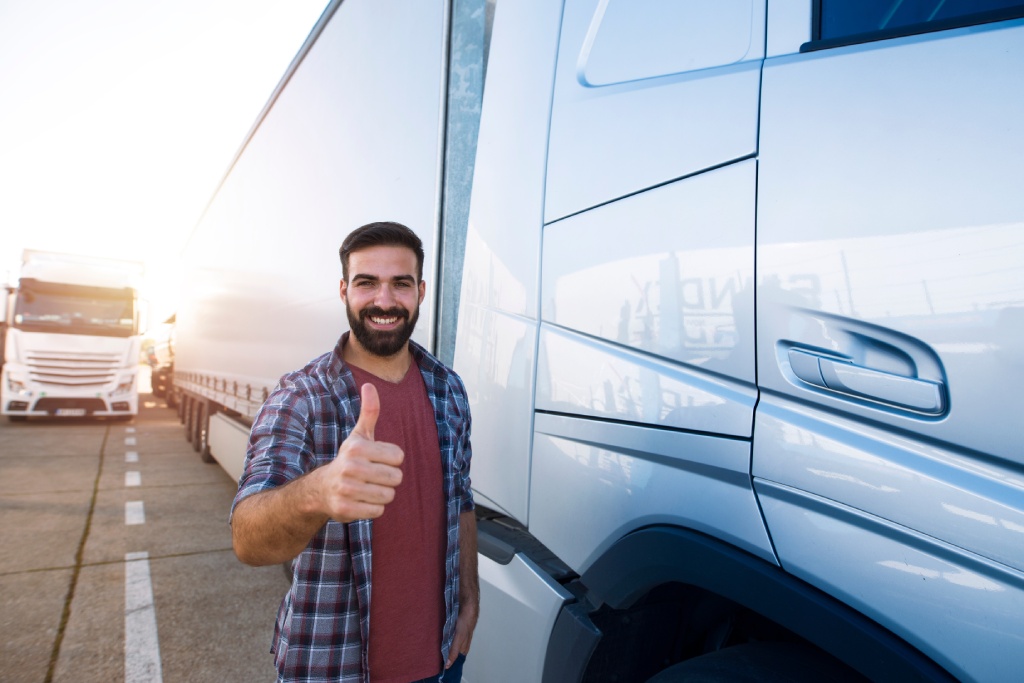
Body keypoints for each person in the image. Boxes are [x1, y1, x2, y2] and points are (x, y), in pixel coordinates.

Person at [230, 221, 478, 683]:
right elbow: (247, 539)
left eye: (400, 284)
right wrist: (317, 493)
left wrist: (470, 599)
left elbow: (461, 497)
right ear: (344, 290)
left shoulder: (449, 390)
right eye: (367, 283)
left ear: (421, 291)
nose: (384, 301)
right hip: (333, 665)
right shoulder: (302, 397)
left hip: (441, 662)